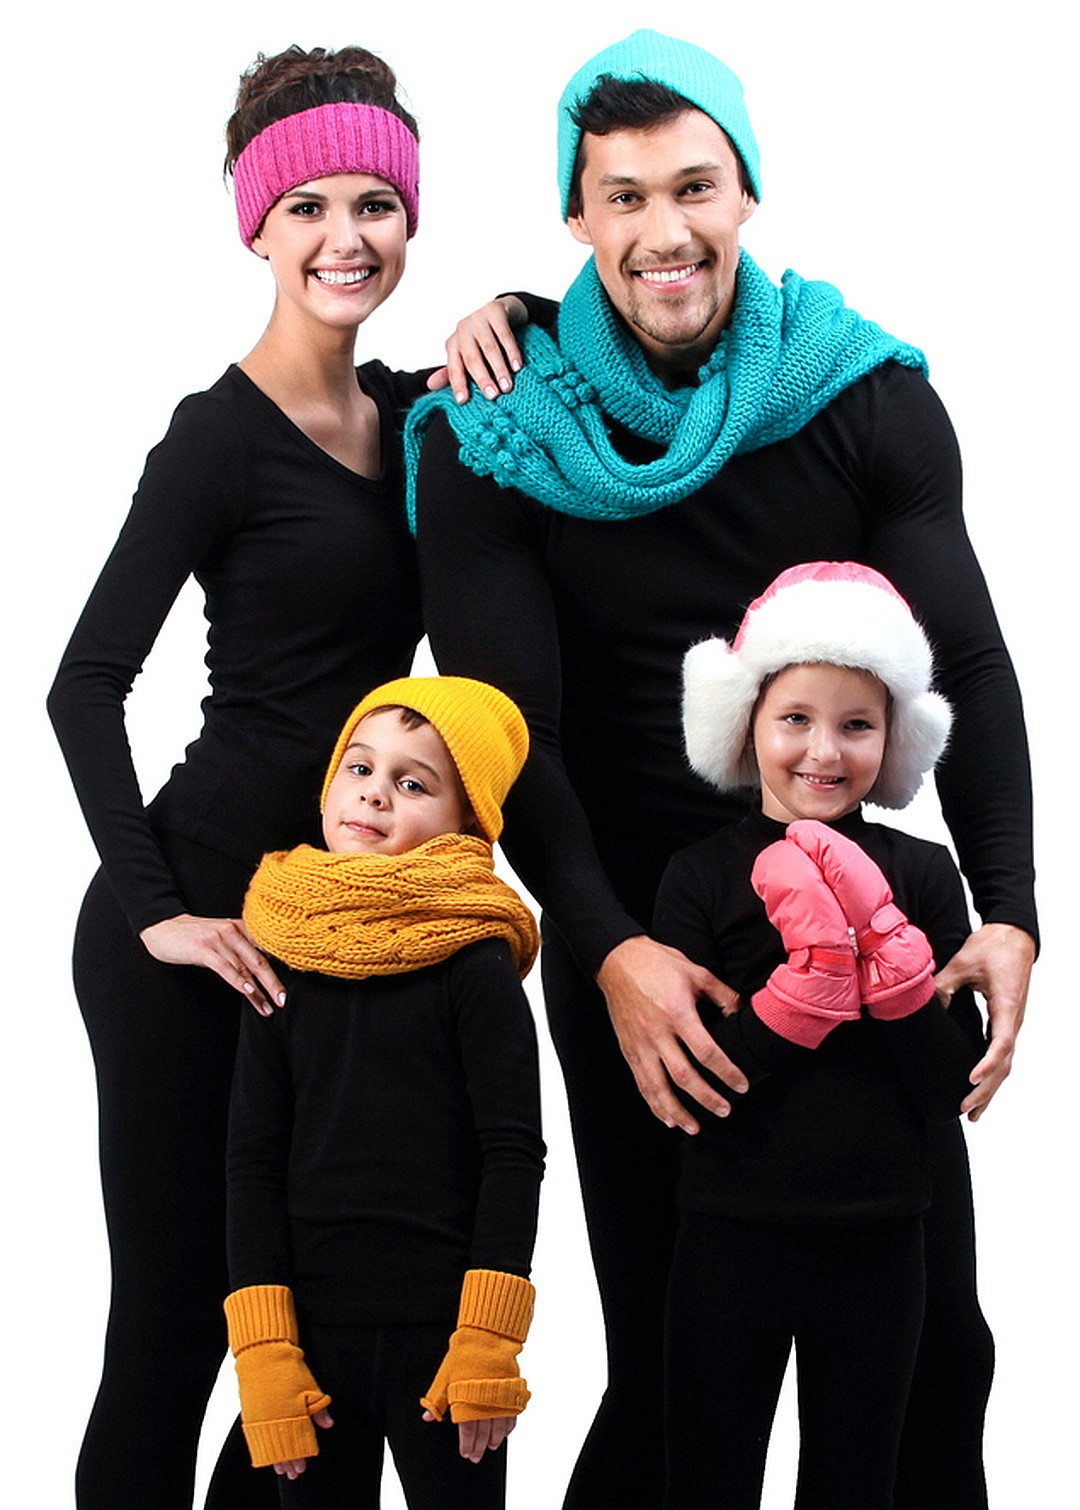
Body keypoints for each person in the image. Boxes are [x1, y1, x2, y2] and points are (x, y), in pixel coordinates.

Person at [409, 29, 1036, 1509]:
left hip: (862, 930)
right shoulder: (498, 430)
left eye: (695, 186)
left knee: (934, 1353)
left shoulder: (864, 394)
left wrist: (1009, 907)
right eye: (622, 197)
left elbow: (971, 660)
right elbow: (510, 732)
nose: (663, 229)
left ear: (748, 190)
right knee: (679, 1364)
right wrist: (611, 950)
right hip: (637, 936)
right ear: (576, 217)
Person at [47, 45, 525, 1510]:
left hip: (328, 918)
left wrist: (513, 308)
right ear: (256, 225)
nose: (345, 237)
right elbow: (82, 684)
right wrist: (156, 914)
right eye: (309, 206)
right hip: (197, 922)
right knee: (179, 1321)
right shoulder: (216, 437)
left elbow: (569, 347)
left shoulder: (407, 411)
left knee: (299, 1323)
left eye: (376, 204)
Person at [653, 561, 985, 1508]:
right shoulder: (698, 875)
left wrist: (890, 965)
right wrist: (803, 996)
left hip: (881, 1238)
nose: (823, 752)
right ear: (748, 722)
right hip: (727, 1233)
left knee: (855, 1485)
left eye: (857, 725)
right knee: (707, 1483)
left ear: (895, 735)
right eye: (795, 718)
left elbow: (948, 1087)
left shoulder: (923, 873)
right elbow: (685, 1087)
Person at [226, 675, 544, 1509]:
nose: (374, 793)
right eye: (360, 767)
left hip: (446, 1344)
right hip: (309, 1347)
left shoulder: (476, 961)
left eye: (413, 783)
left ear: (467, 823)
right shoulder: (284, 949)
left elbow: (513, 1155)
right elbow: (252, 1161)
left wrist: (487, 1338)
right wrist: (263, 1353)